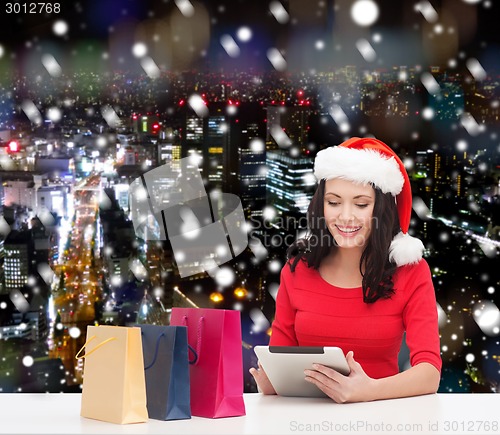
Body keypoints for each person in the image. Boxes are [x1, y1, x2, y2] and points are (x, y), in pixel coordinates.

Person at [250, 137, 441, 403]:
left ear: (381, 209)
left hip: (382, 418)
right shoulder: (297, 270)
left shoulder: (411, 272)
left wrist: (366, 392)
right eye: (334, 202)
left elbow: (429, 373)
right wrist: (273, 382)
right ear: (321, 205)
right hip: (303, 421)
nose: (345, 217)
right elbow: (281, 356)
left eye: (361, 204)